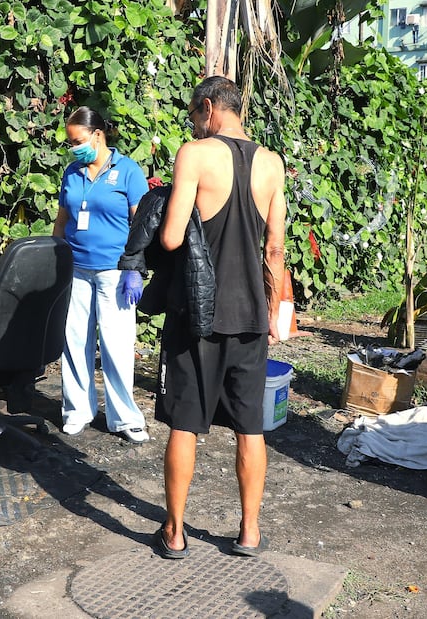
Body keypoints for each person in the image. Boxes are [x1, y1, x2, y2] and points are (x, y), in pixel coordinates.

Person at [153, 76, 287, 559]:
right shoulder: (272, 164)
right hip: (250, 312)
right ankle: (249, 533)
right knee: (250, 427)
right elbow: (275, 248)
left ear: (209, 108)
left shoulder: (195, 153)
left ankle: (175, 533)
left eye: (195, 115)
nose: (195, 124)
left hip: (197, 313)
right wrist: (275, 311)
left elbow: (170, 238)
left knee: (185, 423)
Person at [52, 106, 150, 444]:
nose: (73, 148)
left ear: (97, 135)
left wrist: (134, 266)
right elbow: (63, 220)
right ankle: (77, 411)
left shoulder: (128, 172)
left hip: (114, 272)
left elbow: (141, 224)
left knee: (116, 344)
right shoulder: (72, 172)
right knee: (75, 341)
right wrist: (55, 259)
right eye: (70, 143)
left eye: (77, 141)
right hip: (76, 269)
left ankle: (125, 418)